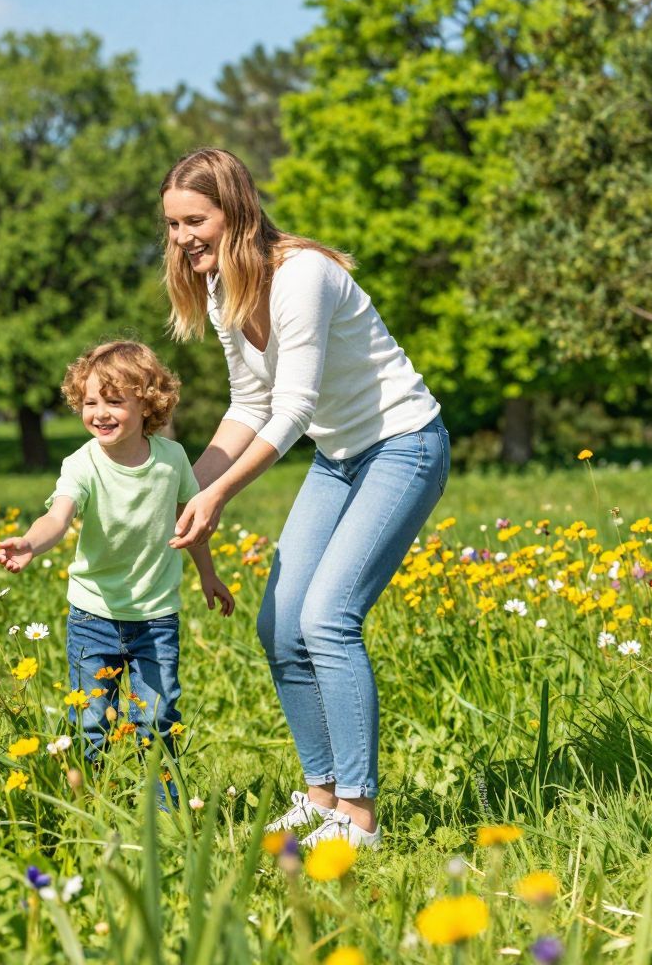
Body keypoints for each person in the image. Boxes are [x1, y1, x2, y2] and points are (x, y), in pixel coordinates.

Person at [161, 147, 448, 849]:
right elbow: (249, 403)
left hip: (402, 446)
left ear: (234, 211)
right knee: (280, 627)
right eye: (171, 226)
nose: (181, 238)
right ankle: (320, 799)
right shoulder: (228, 291)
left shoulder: (303, 278)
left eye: (193, 220)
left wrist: (222, 493)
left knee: (327, 620)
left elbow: (292, 410)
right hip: (340, 457)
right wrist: (182, 491)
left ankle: (359, 817)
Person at [0, 340, 235, 768]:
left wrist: (208, 575)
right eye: (89, 401)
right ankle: (87, 800)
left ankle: (164, 811)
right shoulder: (81, 464)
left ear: (147, 404)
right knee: (90, 721)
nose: (99, 412)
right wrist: (30, 542)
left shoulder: (172, 459)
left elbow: (190, 524)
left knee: (158, 718)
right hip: (93, 615)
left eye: (113, 400)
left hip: (156, 616)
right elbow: (58, 517)